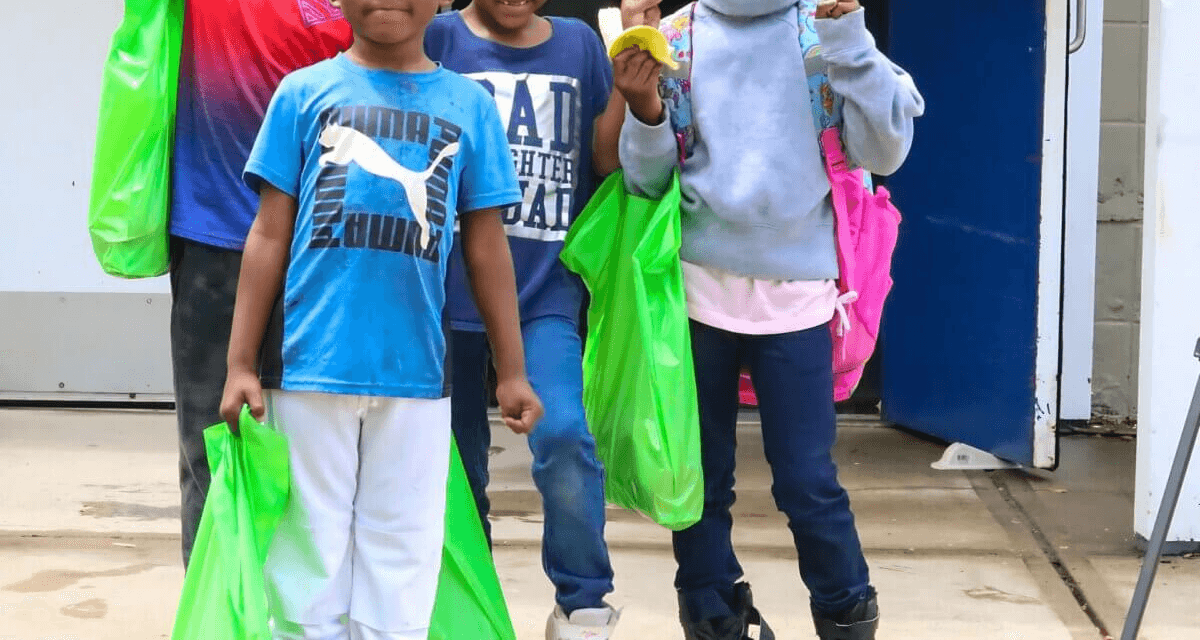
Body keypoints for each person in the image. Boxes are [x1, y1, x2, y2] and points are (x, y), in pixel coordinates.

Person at [218, 0, 544, 636]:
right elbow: (267, 232)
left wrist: (512, 371)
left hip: (417, 374)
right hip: (309, 369)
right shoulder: (303, 93)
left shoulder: (470, 106)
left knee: (404, 553)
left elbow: (485, 245)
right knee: (307, 553)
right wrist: (238, 363)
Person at [612, 0, 925, 638]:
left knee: (807, 479)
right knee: (697, 480)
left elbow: (885, 152)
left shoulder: (823, 31)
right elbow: (646, 182)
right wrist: (643, 109)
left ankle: (845, 612)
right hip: (697, 296)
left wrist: (849, 41)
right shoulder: (677, 38)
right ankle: (713, 615)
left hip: (799, 300)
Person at [423, 1, 656, 638]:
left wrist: (633, 59)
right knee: (454, 464)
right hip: (444, 297)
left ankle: (582, 602)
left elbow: (605, 161)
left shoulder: (580, 45)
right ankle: (470, 606)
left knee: (566, 440)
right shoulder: (437, 34)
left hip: (545, 292)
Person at [169, 0, 352, 567]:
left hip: (333, 255)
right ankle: (218, 615)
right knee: (214, 449)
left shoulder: (375, 13)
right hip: (216, 242)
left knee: (327, 458)